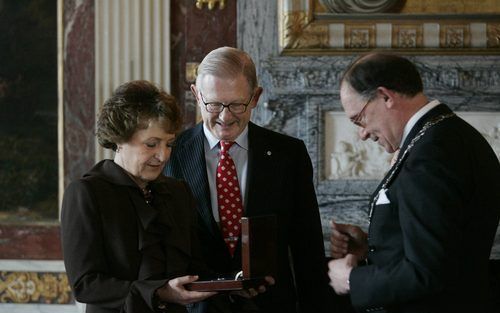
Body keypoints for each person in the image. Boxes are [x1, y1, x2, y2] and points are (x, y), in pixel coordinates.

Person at [165, 47, 333, 313]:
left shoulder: (288, 154)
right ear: (197, 94)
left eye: (237, 104)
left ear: (255, 97)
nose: (225, 116)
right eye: (214, 104)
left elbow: (307, 249)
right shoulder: (169, 155)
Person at [328, 53, 500, 313]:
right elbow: (443, 243)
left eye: (359, 119)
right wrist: (375, 244)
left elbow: (428, 271)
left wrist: (352, 280)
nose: (362, 134)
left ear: (385, 97)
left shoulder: (431, 154)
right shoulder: (446, 135)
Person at [61, 80, 217, 313]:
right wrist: (159, 291)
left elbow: (196, 266)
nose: (163, 156)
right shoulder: (87, 193)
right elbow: (86, 285)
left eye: (169, 144)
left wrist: (233, 284)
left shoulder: (178, 192)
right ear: (119, 139)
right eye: (151, 144)